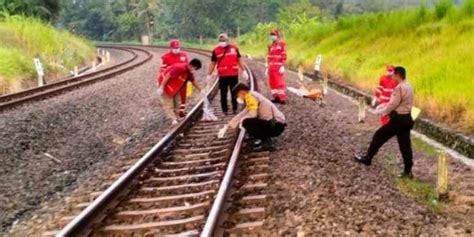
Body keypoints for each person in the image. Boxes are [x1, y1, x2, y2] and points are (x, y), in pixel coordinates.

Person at [354, 66, 415, 178]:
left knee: (379, 135)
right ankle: (408, 170)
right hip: (407, 118)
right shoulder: (409, 86)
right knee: (405, 145)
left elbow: (392, 104)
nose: (393, 78)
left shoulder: (399, 88)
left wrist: (382, 112)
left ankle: (368, 158)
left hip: (398, 120)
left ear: (398, 75)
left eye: (394, 76)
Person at [217, 83, 286, 151]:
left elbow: (253, 114)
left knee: (247, 122)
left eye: (238, 95)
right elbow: (243, 113)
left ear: (241, 92)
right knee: (247, 120)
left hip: (275, 126)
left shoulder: (250, 97)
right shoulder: (252, 95)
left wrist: (242, 120)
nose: (239, 97)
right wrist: (228, 125)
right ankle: (265, 139)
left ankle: (266, 142)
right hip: (277, 124)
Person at [207, 33, 248, 115]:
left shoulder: (234, 48)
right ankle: (224, 110)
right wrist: (209, 74)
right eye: (220, 40)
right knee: (223, 93)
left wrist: (244, 70)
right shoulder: (216, 50)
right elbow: (213, 63)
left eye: (223, 40)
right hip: (223, 76)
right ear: (218, 41)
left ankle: (235, 108)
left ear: (227, 40)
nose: (222, 42)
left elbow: (239, 60)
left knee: (234, 92)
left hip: (233, 74)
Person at [157, 59, 203, 124]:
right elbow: (168, 75)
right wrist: (162, 87)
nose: (194, 70)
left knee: (177, 102)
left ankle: (176, 116)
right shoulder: (179, 68)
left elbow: (193, 81)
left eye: (195, 69)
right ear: (190, 65)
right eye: (194, 68)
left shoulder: (189, 72)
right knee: (168, 103)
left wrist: (201, 90)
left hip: (176, 86)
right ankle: (173, 119)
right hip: (166, 84)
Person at [160, 39, 189, 118]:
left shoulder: (184, 55)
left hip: (181, 81)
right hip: (170, 81)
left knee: (180, 97)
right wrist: (161, 84)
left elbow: (187, 67)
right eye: (175, 48)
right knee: (170, 98)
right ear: (171, 48)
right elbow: (162, 70)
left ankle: (179, 112)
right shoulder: (166, 57)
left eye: (178, 48)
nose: (176, 49)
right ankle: (173, 116)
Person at [267, 29, 288, 104]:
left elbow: (284, 55)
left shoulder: (282, 44)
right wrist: (267, 66)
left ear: (278, 35)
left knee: (279, 82)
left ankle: (282, 98)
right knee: (272, 82)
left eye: (274, 35)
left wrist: (283, 65)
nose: (272, 36)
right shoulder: (271, 45)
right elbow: (269, 56)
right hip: (271, 67)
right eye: (271, 35)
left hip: (278, 67)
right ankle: (276, 97)